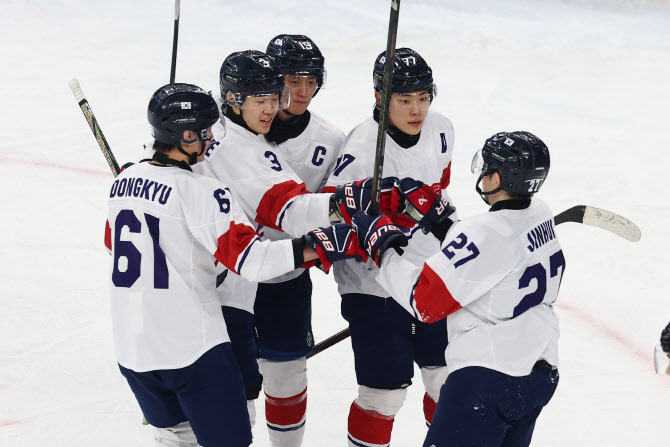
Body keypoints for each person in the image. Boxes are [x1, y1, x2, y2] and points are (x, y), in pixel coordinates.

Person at [105, 83, 359, 447]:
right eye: (206, 132)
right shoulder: (203, 192)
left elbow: (114, 244)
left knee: (177, 439)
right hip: (192, 350)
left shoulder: (123, 183)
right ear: (186, 134)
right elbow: (254, 261)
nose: (211, 142)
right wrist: (321, 244)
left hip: (134, 352)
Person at [355, 131, 562, 447]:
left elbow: (424, 302)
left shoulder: (482, 233)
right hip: (538, 375)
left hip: (488, 381)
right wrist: (442, 223)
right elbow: (492, 254)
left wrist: (383, 249)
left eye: (487, 167)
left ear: (496, 178)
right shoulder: (541, 213)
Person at [323, 48, 456, 447]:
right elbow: (330, 216)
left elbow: (441, 192)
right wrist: (375, 213)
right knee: (384, 395)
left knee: (448, 380)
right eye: (403, 100)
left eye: (423, 97)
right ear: (381, 97)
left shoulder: (442, 128)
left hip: (429, 274)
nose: (416, 110)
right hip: (373, 284)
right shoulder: (363, 149)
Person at [247, 34, 345, 447]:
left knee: (286, 376)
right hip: (224, 276)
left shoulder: (331, 141)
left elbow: (334, 212)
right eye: (291, 79)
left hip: (285, 275)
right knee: (226, 377)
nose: (302, 91)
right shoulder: (226, 128)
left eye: (311, 80)